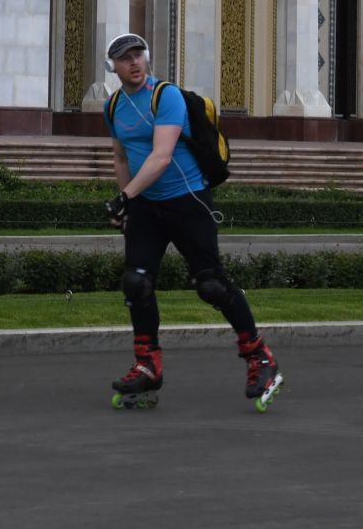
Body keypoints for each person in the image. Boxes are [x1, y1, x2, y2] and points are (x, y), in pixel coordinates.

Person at [102, 31, 281, 404]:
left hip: (188, 201)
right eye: (125, 57)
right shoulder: (114, 105)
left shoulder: (164, 96)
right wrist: (129, 204)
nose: (134, 62)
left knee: (211, 285)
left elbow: (162, 156)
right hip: (147, 207)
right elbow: (122, 158)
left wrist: (124, 197)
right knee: (136, 283)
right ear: (113, 66)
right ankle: (148, 366)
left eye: (138, 54)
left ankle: (260, 358)